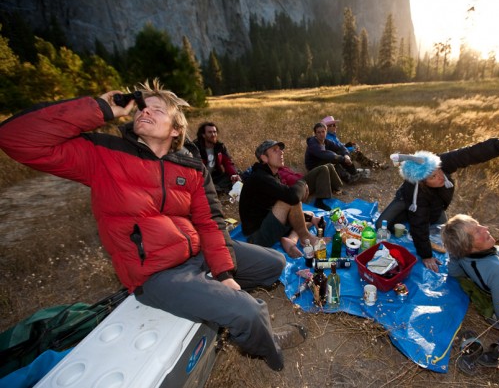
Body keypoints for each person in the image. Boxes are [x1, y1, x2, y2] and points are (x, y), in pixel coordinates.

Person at [0, 80, 305, 372]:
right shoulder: (104, 155)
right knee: (249, 312)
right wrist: (100, 108)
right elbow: (15, 138)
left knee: (275, 263)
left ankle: (216, 300)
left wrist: (224, 272)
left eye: (156, 109)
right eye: (142, 108)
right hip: (158, 275)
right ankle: (268, 347)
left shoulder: (190, 166)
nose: (144, 112)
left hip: (197, 251)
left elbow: (209, 221)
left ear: (175, 129)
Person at [376, 120, 499, 272]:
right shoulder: (415, 192)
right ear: (422, 182)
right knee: (381, 226)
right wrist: (426, 255)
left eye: (439, 171)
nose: (440, 177)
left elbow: (470, 153)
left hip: (435, 205)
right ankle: (405, 216)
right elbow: (419, 224)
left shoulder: (440, 163)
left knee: (451, 236)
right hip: (406, 201)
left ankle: (497, 248)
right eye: (433, 177)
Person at [239, 140, 323, 257]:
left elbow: (291, 200)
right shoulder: (259, 177)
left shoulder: (272, 175)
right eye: (275, 150)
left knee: (309, 214)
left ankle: (291, 240)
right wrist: (303, 184)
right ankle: (305, 237)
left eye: (281, 150)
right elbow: (292, 197)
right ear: (264, 158)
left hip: (268, 221)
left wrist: (309, 218)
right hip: (256, 237)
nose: (281, 152)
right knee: (290, 200)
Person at [322, 115, 387, 170]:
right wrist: (351, 149)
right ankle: (375, 166)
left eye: (334, 125)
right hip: (338, 156)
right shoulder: (328, 138)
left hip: (341, 153)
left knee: (356, 152)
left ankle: (372, 165)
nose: (334, 126)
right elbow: (338, 149)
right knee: (356, 153)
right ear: (326, 128)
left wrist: (349, 144)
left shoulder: (333, 135)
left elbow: (340, 145)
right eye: (331, 125)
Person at [194, 121, 241, 194]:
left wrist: (234, 175)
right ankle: (215, 190)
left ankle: (217, 189)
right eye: (210, 132)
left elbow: (228, 163)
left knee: (238, 174)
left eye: (214, 132)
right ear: (203, 135)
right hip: (201, 178)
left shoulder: (219, 146)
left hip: (216, 177)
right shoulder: (195, 148)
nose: (213, 135)